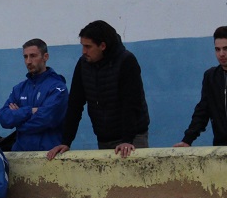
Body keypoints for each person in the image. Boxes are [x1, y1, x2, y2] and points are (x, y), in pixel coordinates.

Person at [47, 20, 150, 160]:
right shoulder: (83, 64)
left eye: (88, 47)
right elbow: (75, 104)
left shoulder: (127, 61)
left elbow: (131, 103)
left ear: (102, 46)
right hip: (104, 139)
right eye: (82, 46)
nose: (84, 51)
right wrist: (66, 142)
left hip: (132, 139)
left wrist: (127, 140)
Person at [0, 38, 68, 151]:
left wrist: (18, 121)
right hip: (20, 154)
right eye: (25, 57)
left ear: (45, 57)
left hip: (49, 154)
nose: (28, 61)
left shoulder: (57, 88)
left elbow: (47, 119)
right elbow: (3, 117)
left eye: (33, 56)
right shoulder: (19, 88)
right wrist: (30, 111)